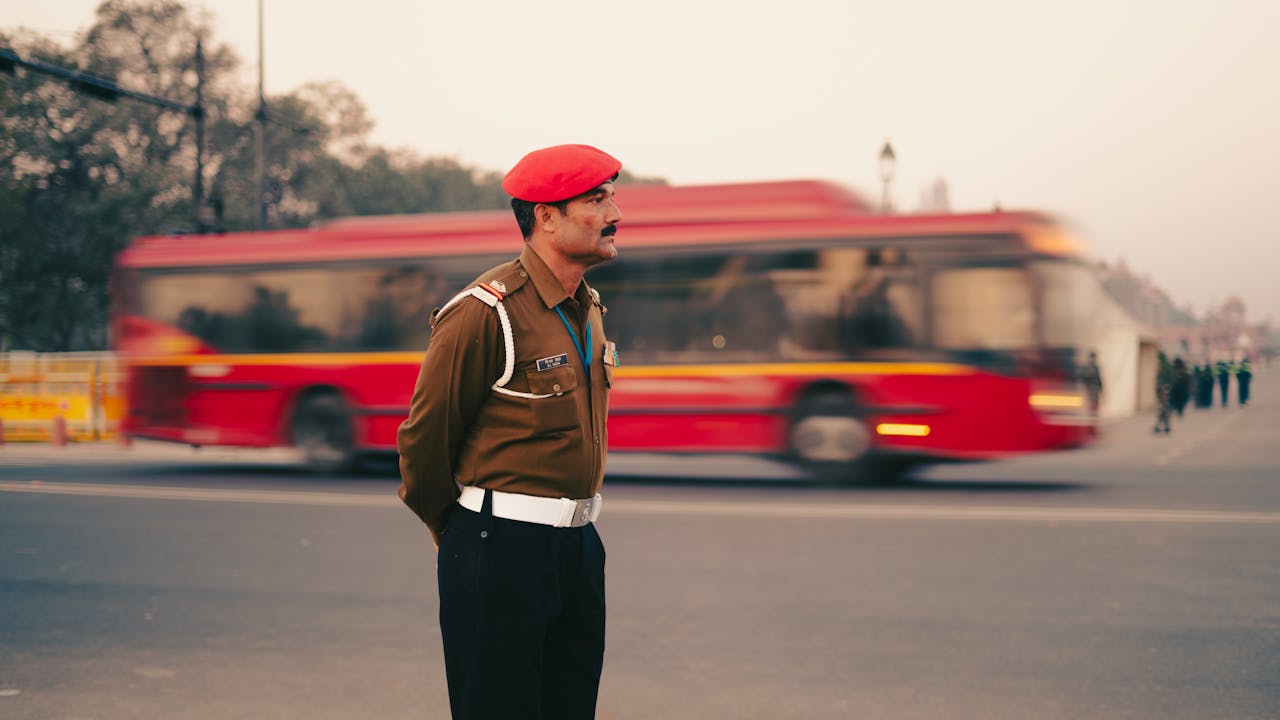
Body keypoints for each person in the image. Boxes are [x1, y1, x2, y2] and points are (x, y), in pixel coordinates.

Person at [396, 144, 623, 720]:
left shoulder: (587, 307)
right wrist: (461, 533)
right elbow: (424, 443)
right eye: (596, 199)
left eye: (611, 196)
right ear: (547, 217)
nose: (615, 212)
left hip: (578, 547)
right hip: (499, 549)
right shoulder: (486, 312)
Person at [1080, 350, 1103, 417]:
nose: (1093, 359)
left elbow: (1099, 378)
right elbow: (1084, 378)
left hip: (1095, 387)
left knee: (1095, 401)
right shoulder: (1087, 367)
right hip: (1090, 387)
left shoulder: (1096, 367)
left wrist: (1101, 388)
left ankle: (1094, 413)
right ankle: (1091, 413)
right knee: (1091, 401)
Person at [1154, 351, 1172, 434]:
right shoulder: (1166, 366)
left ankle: (1160, 426)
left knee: (1163, 410)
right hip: (1163, 392)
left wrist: (1163, 390)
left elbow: (1163, 381)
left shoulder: (1163, 367)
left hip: (1163, 392)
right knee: (1163, 410)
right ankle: (1164, 427)